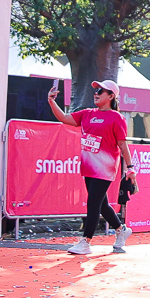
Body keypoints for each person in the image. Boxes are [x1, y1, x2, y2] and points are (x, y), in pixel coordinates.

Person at [48, 77, 133, 256]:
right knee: (101, 204)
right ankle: (121, 229)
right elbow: (64, 118)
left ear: (111, 96)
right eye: (95, 90)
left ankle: (86, 241)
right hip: (88, 166)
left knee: (93, 202)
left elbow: (123, 145)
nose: (96, 93)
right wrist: (52, 101)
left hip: (105, 167)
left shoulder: (117, 118)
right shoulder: (87, 114)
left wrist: (130, 168)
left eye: (100, 91)